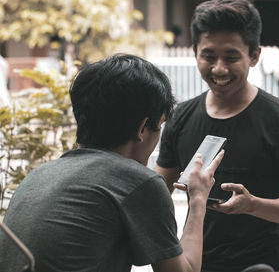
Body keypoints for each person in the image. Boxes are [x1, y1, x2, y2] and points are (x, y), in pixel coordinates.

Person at [0, 54, 224, 272]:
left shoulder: (41, 173)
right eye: (161, 126)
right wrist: (197, 199)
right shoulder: (138, 182)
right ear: (142, 128)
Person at [155, 0, 279, 272]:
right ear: (195, 51)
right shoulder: (179, 118)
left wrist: (253, 205)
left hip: (262, 267)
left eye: (231, 57)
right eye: (208, 56)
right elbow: (157, 194)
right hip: (195, 266)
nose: (219, 68)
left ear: (254, 55)